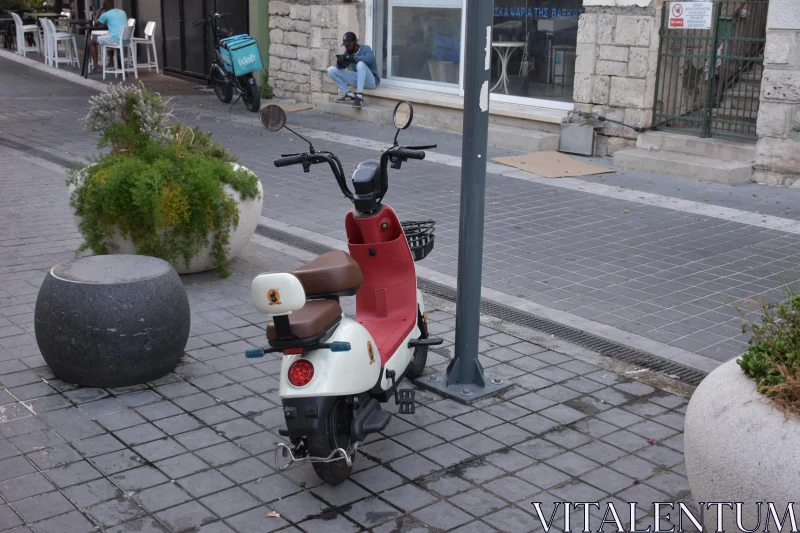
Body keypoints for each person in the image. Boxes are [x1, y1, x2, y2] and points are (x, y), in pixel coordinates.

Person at [327, 32, 380, 109]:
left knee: (360, 64)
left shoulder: (366, 48)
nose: (347, 47)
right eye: (345, 45)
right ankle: (349, 94)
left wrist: (354, 58)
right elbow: (340, 67)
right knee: (331, 70)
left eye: (348, 45)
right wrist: (339, 62)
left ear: (355, 42)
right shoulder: (348, 52)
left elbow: (370, 59)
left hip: (372, 82)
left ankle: (359, 96)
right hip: (359, 80)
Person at [89, 0, 128, 74]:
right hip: (126, 39)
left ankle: (96, 67)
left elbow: (95, 23)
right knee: (109, 36)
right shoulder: (122, 12)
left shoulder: (106, 14)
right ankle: (111, 62)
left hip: (117, 39)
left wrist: (100, 10)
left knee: (92, 42)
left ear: (105, 8)